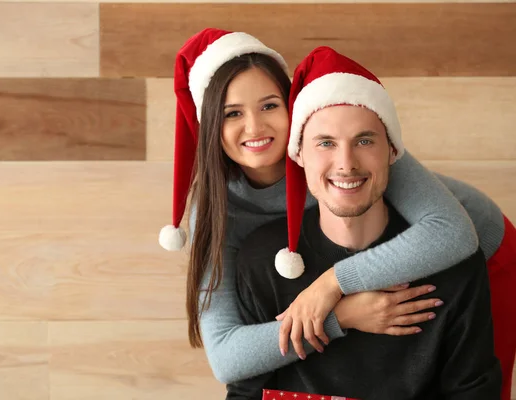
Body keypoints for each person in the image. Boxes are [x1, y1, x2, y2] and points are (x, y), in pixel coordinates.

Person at [158, 28, 515, 399]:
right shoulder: (216, 206)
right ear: (210, 125)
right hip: (362, 268)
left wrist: (332, 284)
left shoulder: (344, 143)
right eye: (233, 113)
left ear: (293, 107)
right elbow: (228, 358)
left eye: (269, 105)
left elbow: (452, 235)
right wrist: (340, 316)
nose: (255, 127)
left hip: (476, 249)